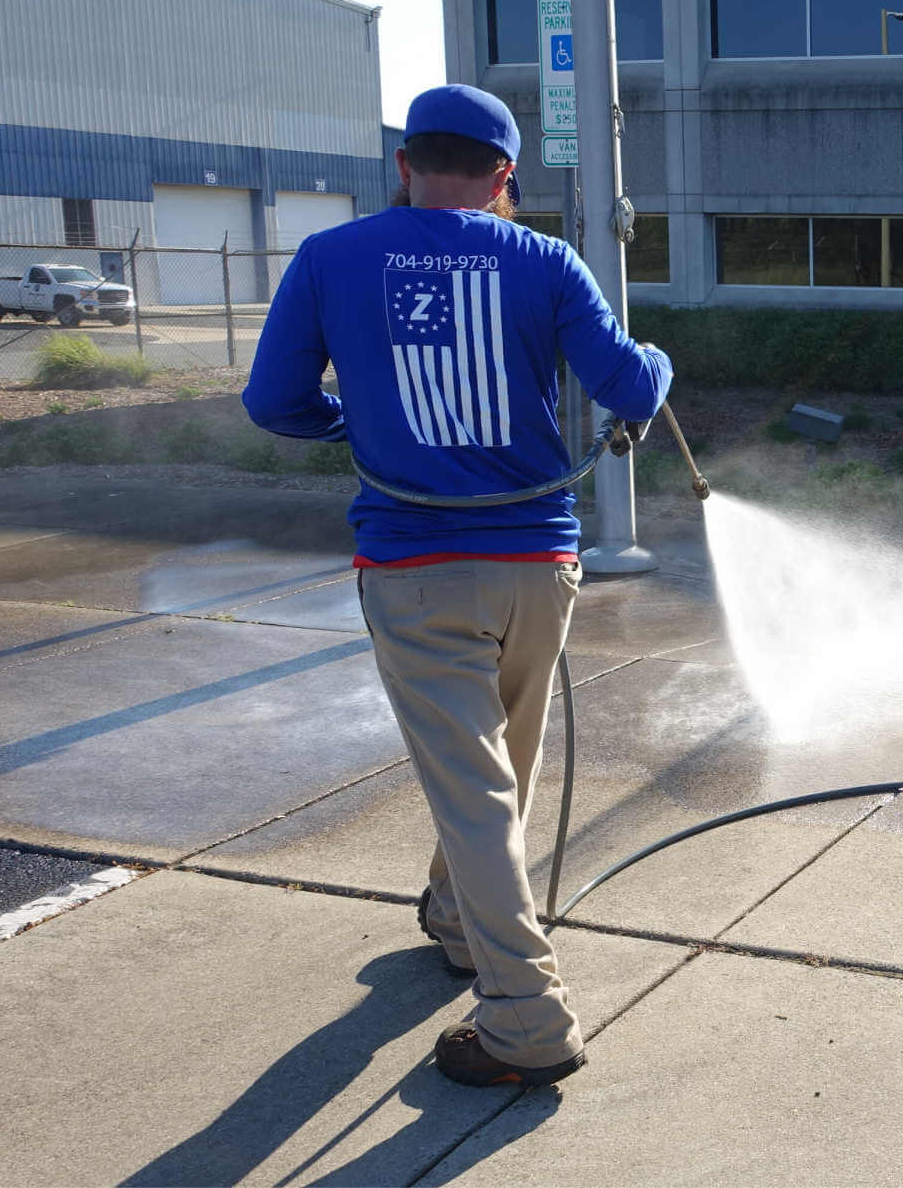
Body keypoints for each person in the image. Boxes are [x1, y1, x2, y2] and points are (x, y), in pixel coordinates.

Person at [243, 84, 671, 1087]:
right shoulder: (545, 260)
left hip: (415, 568)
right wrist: (652, 358)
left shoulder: (330, 258)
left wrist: (352, 427)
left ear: (405, 162)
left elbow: (275, 401)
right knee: (495, 771)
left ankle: (525, 1018)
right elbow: (630, 387)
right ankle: (453, 917)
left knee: (475, 785)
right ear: (504, 176)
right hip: (536, 565)